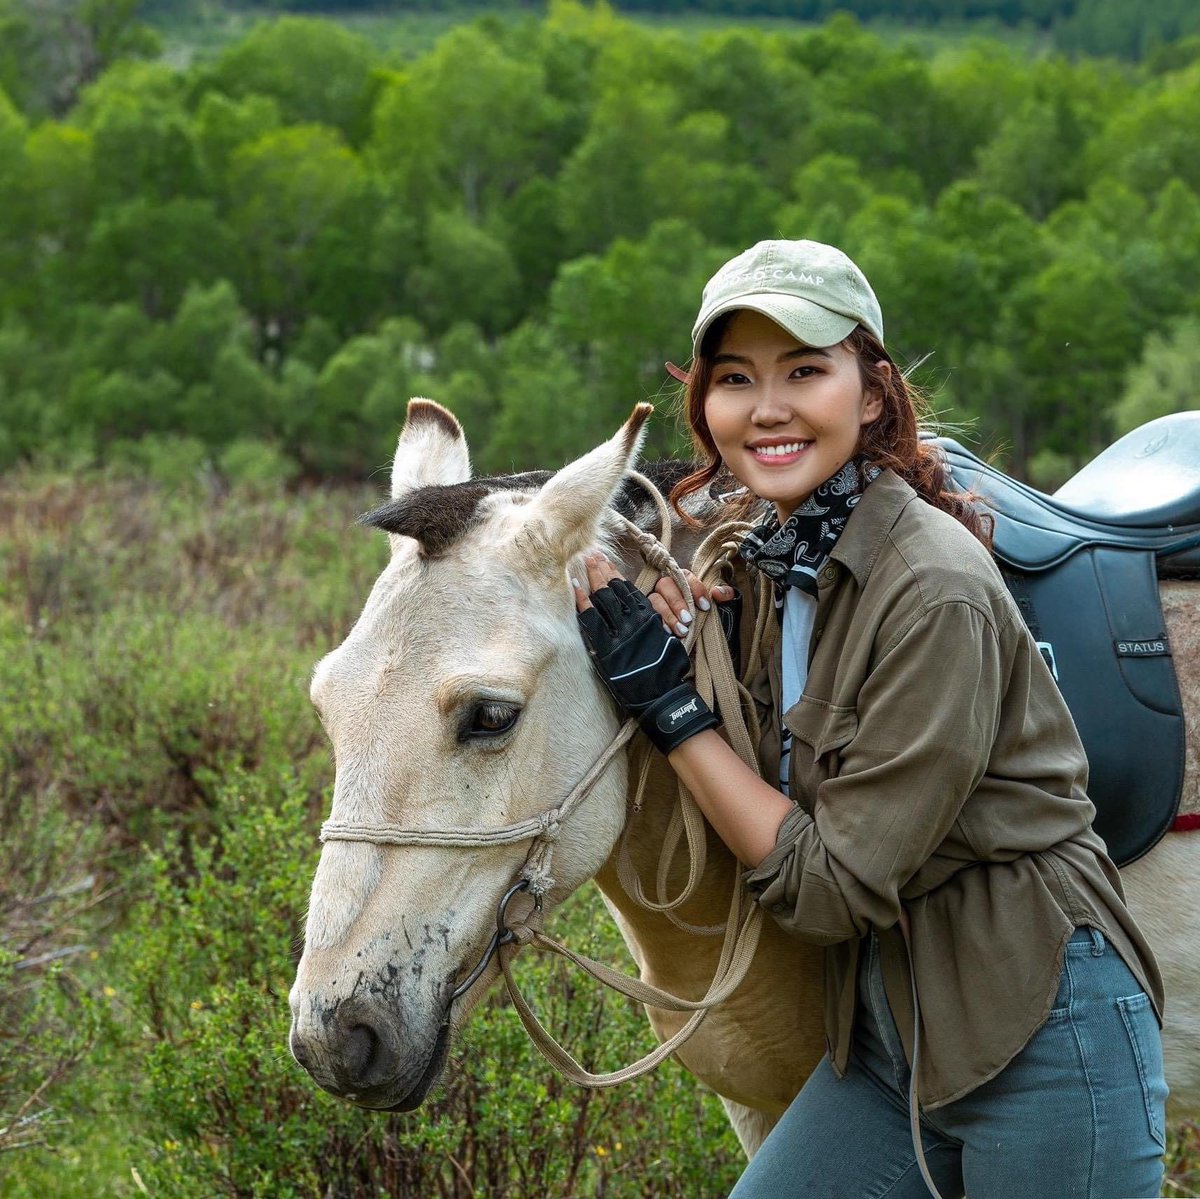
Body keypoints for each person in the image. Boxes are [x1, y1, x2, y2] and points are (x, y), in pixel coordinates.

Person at [572, 240, 1167, 1199]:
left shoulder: (933, 588)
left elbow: (830, 887)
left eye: (805, 370)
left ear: (874, 391)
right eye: (736, 379)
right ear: (705, 407)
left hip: (1046, 1033)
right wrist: (675, 647)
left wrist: (672, 710)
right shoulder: (773, 561)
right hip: (896, 1041)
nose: (768, 407)